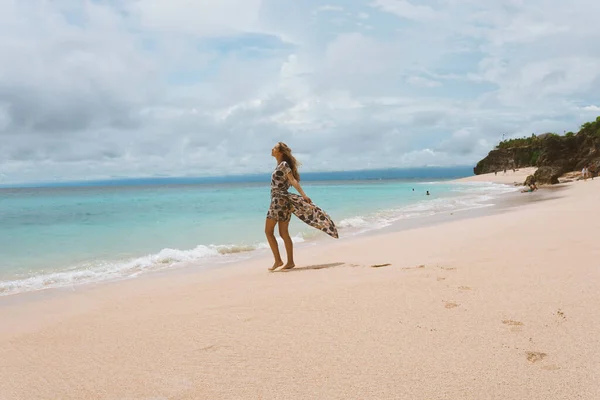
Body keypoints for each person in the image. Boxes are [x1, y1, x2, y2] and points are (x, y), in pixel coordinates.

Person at [265, 142, 339, 271]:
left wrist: (304, 195)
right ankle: (289, 262)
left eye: (275, 148)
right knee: (283, 233)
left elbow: (293, 180)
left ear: (280, 152)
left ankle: (279, 260)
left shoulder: (283, 165)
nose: (272, 149)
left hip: (279, 201)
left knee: (268, 231)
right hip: (282, 201)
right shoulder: (281, 165)